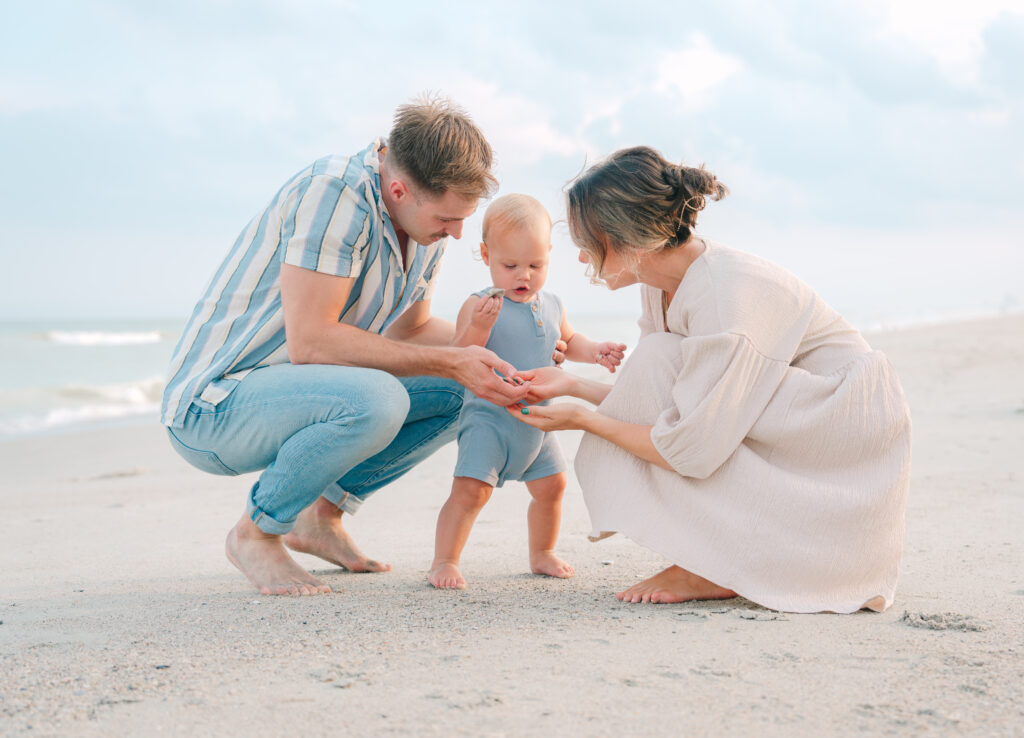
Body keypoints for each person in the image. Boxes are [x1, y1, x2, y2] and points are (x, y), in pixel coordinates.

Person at [508, 146, 912, 614]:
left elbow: (689, 446)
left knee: (660, 363)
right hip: (793, 412)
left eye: (587, 241)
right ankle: (711, 556)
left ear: (627, 241)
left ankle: (713, 565)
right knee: (656, 358)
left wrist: (583, 420)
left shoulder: (723, 298)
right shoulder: (662, 283)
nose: (579, 256)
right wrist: (571, 385)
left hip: (841, 429)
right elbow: (672, 397)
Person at [160, 96, 533, 596]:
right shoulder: (334, 193)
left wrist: (512, 354)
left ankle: (317, 517)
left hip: (297, 397)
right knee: (379, 400)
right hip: (214, 408)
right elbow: (311, 344)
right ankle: (256, 531)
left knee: (462, 392)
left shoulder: (419, 229)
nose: (457, 233)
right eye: (448, 218)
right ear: (399, 189)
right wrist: (453, 361)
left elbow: (411, 331)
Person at [428, 194, 626, 589]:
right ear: (485, 256)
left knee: (553, 487)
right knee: (471, 492)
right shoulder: (479, 303)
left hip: (538, 421)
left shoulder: (552, 303)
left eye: (536, 265)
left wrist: (595, 351)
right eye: (510, 265)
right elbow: (457, 354)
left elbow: (569, 341)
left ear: (550, 255)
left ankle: (542, 553)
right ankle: (444, 560)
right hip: (488, 418)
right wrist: (481, 328)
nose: (524, 276)